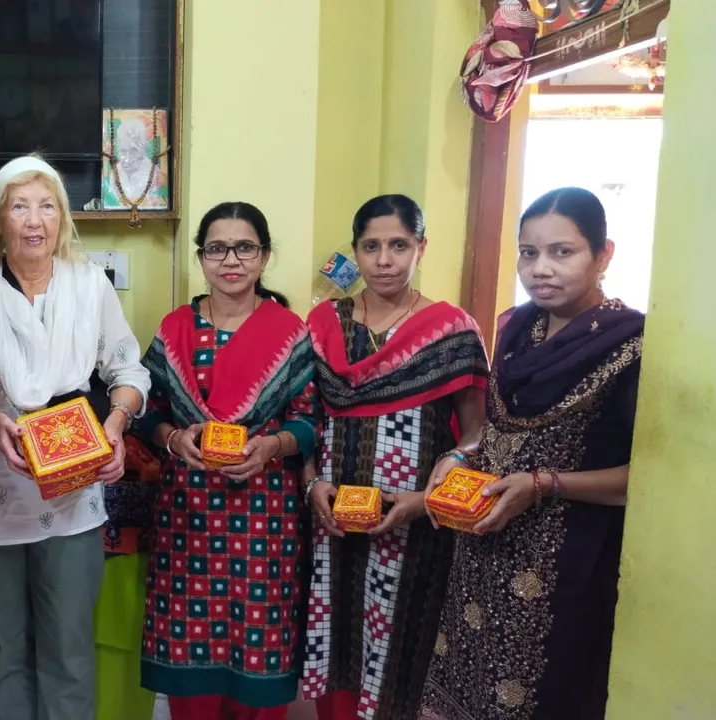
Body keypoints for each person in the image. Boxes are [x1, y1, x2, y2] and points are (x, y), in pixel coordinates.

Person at [420, 187, 644, 719]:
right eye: (529, 252)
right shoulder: (517, 329)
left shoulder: (632, 346)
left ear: (603, 254)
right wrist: (460, 455)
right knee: (468, 681)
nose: (541, 268)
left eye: (562, 252)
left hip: (563, 567)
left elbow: (647, 479)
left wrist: (543, 484)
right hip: (483, 545)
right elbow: (498, 431)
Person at [0, 155, 151, 720]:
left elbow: (128, 370)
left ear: (62, 217)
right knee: (3, 652)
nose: (35, 220)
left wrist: (114, 426)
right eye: (19, 206)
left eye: (47, 206)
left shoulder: (89, 285)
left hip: (74, 492)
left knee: (68, 652)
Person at [300, 195, 489, 720]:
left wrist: (426, 498)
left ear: (421, 248)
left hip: (417, 527)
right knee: (338, 639)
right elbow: (305, 418)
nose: (384, 260)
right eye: (371, 246)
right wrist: (312, 484)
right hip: (333, 523)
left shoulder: (452, 331)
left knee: (404, 646)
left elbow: (477, 435)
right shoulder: (323, 324)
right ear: (356, 251)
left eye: (399, 245)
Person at [137, 201, 319, 720]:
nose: (231, 259)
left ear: (264, 256)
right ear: (201, 257)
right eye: (217, 248)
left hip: (264, 516)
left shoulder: (289, 331)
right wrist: (174, 439)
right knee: (187, 652)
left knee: (259, 646)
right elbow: (146, 412)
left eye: (244, 247)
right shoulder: (175, 328)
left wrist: (270, 447)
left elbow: (310, 419)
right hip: (187, 516)